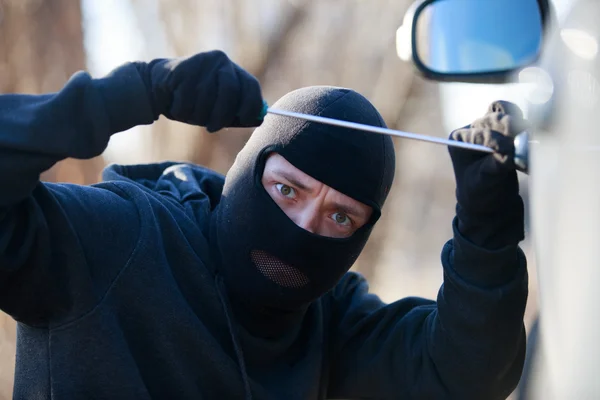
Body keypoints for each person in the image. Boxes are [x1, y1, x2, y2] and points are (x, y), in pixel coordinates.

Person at [0, 50, 528, 399]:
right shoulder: (115, 239)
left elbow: (467, 371)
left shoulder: (332, 323)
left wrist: (485, 229)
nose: (302, 226)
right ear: (248, 171)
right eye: (286, 189)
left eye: (339, 216)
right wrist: (137, 92)